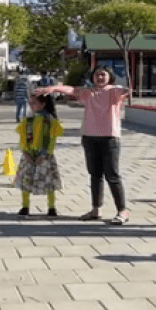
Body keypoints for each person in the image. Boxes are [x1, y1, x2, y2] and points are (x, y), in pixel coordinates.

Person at [38, 66, 131, 224]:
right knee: (95, 176)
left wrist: (127, 89)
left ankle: (122, 211)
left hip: (110, 139)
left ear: (110, 77)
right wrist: (53, 88)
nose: (100, 77)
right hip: (89, 138)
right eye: (97, 75)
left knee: (112, 175)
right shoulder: (88, 93)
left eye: (103, 74)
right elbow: (71, 90)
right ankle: (96, 209)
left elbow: (126, 91)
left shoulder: (113, 91)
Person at [14, 93, 64, 217]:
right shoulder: (28, 119)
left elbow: (51, 139)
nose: (31, 105)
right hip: (28, 155)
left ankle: (51, 207)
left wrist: (44, 154)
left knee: (48, 182)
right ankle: (25, 206)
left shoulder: (50, 120)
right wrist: (24, 151)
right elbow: (22, 136)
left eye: (34, 103)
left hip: (45, 157)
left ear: (43, 104)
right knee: (26, 181)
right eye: (30, 103)